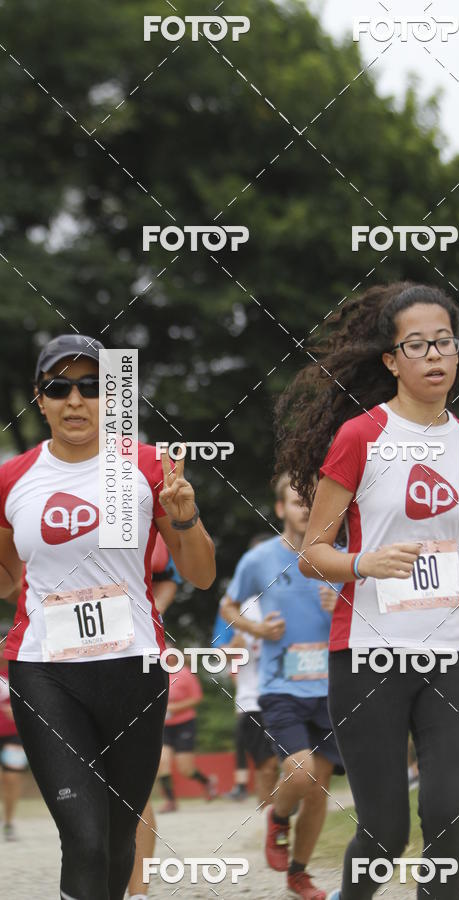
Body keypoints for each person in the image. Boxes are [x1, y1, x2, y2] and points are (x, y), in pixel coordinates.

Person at [274, 282, 459, 900]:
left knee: (448, 814)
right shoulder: (361, 437)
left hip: (454, 653)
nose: (434, 355)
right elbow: (313, 554)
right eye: (417, 344)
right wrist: (364, 563)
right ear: (391, 360)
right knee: (384, 832)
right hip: (367, 655)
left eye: (445, 342)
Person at [0, 333, 215, 900]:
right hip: (43, 670)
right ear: (40, 399)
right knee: (86, 839)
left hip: (133, 668)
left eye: (92, 386)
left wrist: (186, 518)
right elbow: (6, 579)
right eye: (59, 387)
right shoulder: (12, 478)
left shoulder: (148, 466)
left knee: (120, 843)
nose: (75, 400)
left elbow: (200, 575)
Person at [221, 476, 342, 900]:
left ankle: (299, 874)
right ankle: (278, 816)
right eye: (296, 501)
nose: (305, 508)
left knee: (320, 789)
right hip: (281, 687)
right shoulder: (259, 560)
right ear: (280, 509)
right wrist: (257, 629)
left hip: (332, 690)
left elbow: (374, 616)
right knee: (301, 772)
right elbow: (228, 606)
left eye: (312, 500)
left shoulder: (341, 557)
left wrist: (344, 604)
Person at [128, 534, 184, 899]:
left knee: (134, 784)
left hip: (132, 658)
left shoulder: (132, 507)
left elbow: (168, 576)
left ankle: (138, 893)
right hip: (58, 663)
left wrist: (149, 612)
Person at [223, 596, 279, 804]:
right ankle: (271, 816)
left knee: (296, 763)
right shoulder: (239, 604)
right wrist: (232, 649)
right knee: (267, 765)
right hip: (253, 703)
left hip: (289, 696)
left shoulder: (286, 599)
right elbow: (221, 656)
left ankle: (282, 807)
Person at [157, 650, 218, 811]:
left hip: (184, 724)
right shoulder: (158, 674)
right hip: (164, 726)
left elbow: (196, 698)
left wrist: (174, 708)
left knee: (186, 769)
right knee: (162, 762)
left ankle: (207, 782)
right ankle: (171, 801)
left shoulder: (185, 673)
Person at [0, 619, 28, 841]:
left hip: (14, 734)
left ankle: (8, 822)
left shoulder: (22, 670)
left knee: (12, 777)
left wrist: (19, 710)